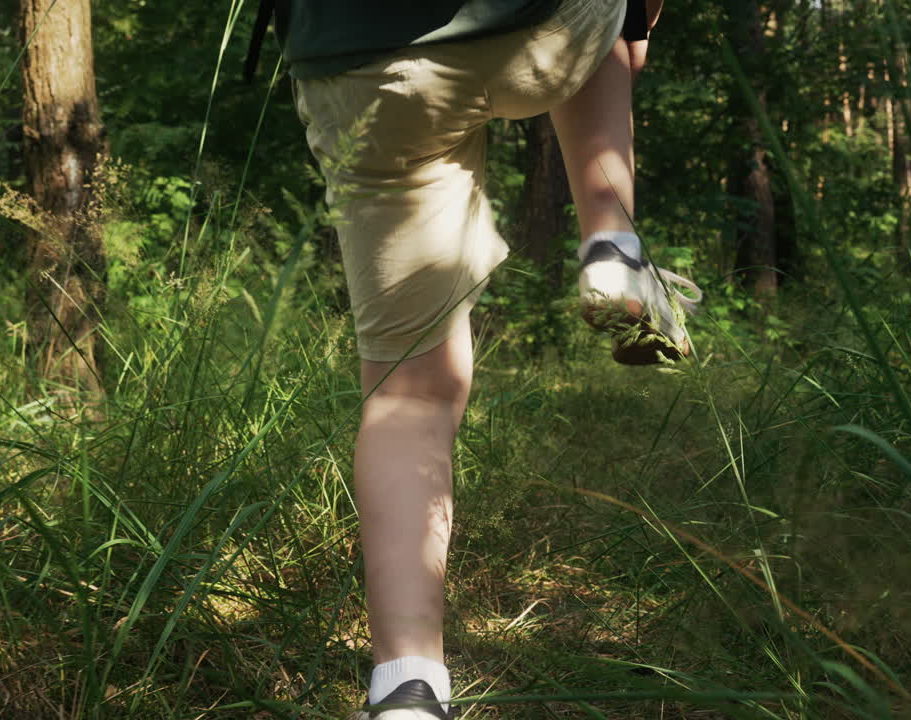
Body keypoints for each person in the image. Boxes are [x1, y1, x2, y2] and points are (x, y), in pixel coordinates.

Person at [276, 1, 699, 716]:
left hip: (361, 63)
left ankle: (406, 687)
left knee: (408, 395)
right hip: (543, 29)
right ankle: (612, 245)